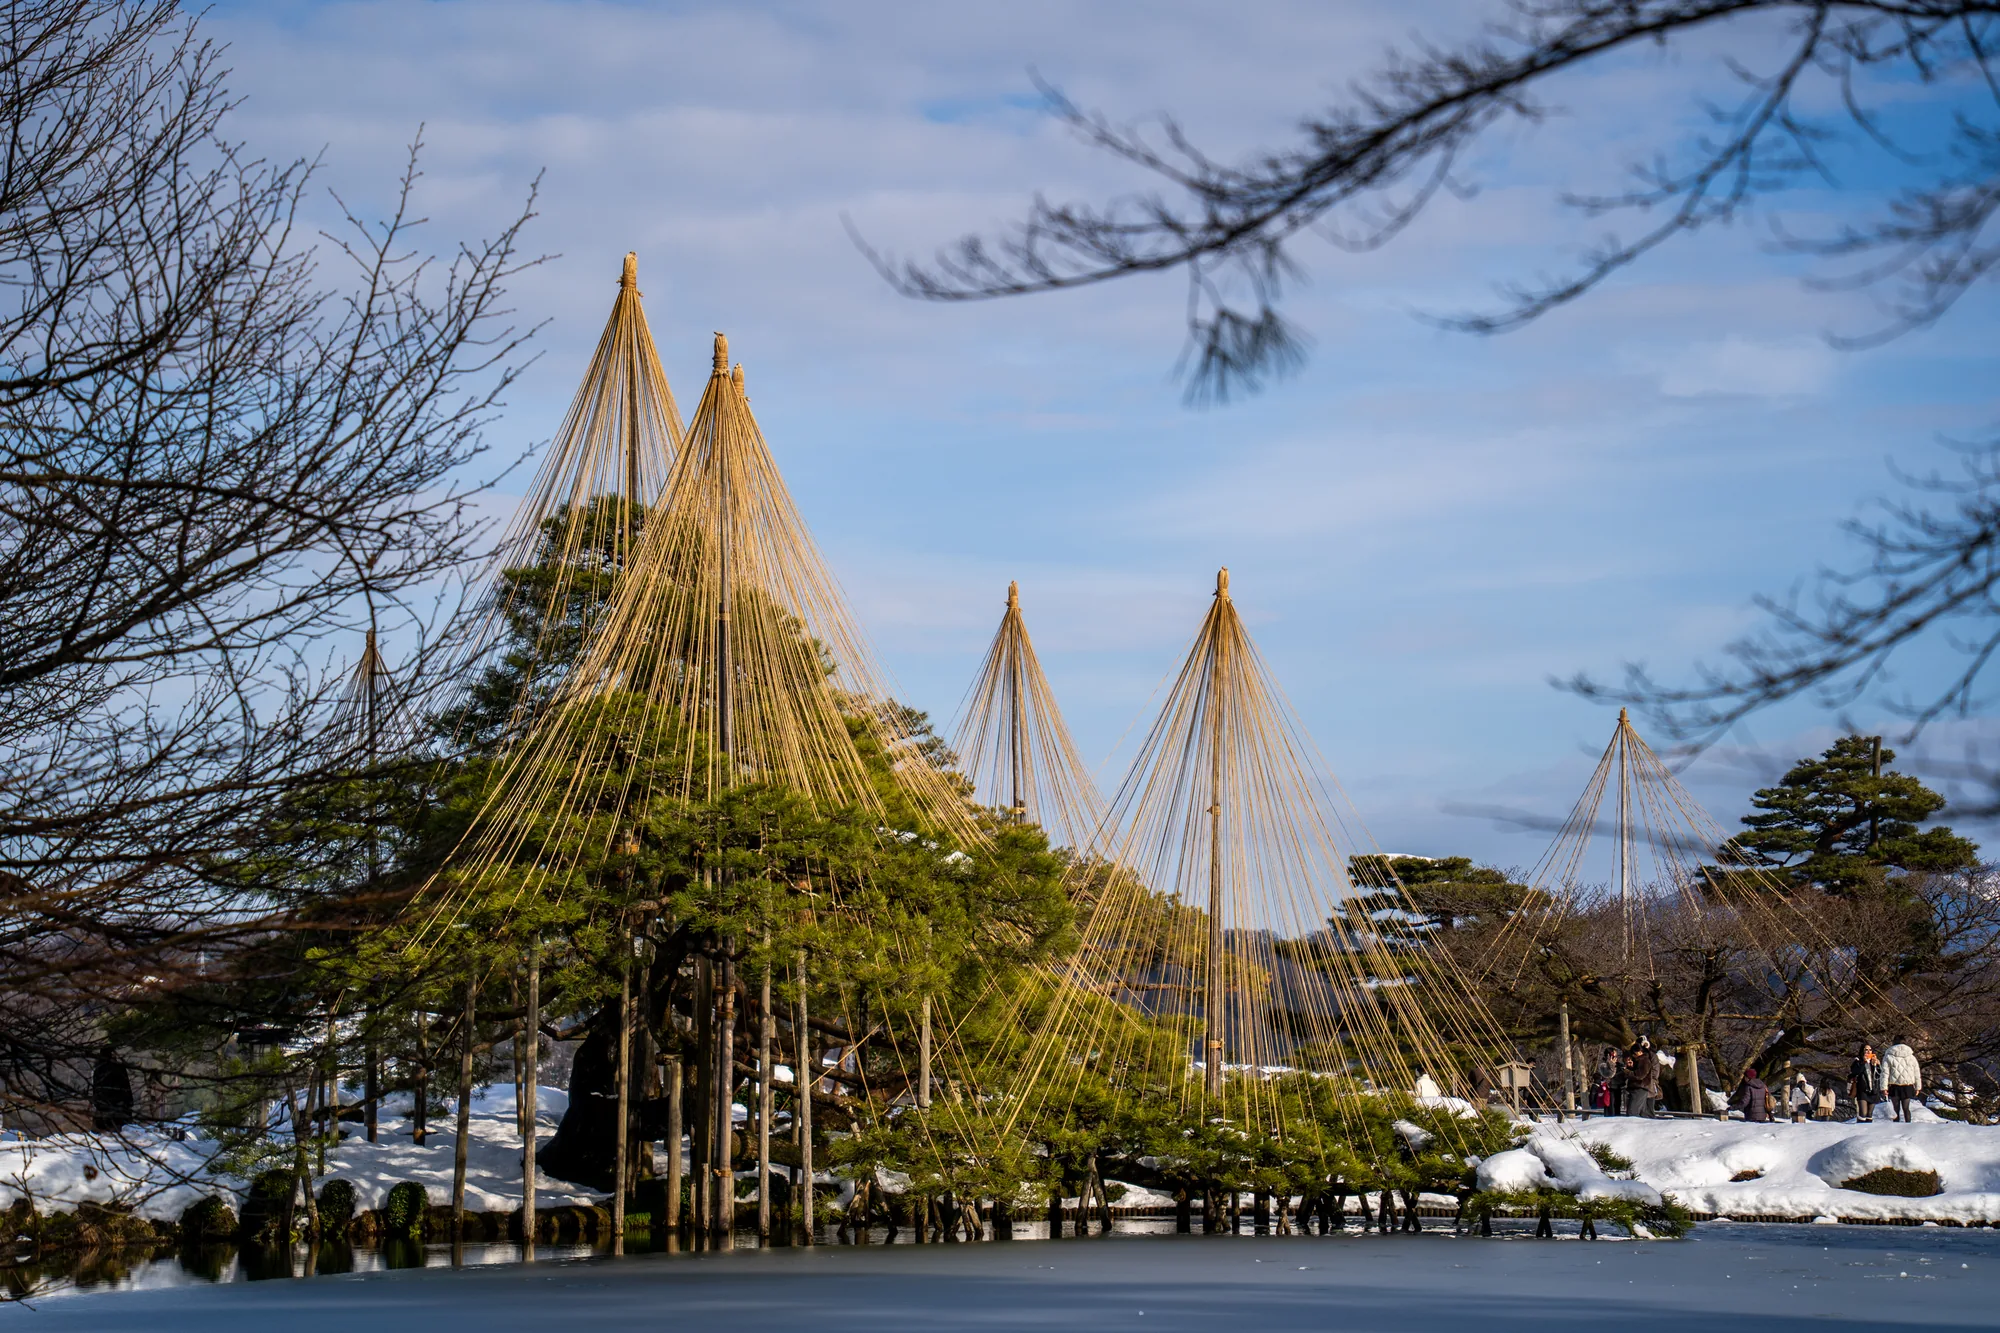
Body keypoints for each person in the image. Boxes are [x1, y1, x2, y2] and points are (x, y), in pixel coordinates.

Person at [1883, 1037, 1922, 1123]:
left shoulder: (1888, 1056)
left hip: (1894, 1086)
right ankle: (1908, 1125)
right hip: (1907, 1086)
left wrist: (1884, 1087)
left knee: (1895, 1110)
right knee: (1906, 1108)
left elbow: (1885, 1073)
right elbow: (1916, 1073)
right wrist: (1918, 1087)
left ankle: (1896, 1127)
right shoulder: (1911, 1056)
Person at [1850, 1044, 1886, 1122]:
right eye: (1866, 1050)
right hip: (1862, 1090)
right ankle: (1860, 1126)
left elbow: (1879, 1075)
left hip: (1873, 1090)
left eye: (1870, 1050)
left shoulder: (1873, 1061)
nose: (1868, 1052)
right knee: (1863, 1113)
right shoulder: (1858, 1061)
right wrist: (1863, 1062)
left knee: (1869, 1114)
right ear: (1862, 1051)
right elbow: (1855, 1072)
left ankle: (1868, 1128)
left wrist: (1877, 1065)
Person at [1625, 1039, 1660, 1119]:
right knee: (1643, 1112)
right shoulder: (1641, 1059)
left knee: (1633, 1112)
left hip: (1641, 1086)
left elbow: (1640, 1075)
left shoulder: (1644, 1060)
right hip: (1642, 1086)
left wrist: (1627, 1072)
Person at [1598, 1046, 1624, 1117]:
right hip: (1609, 1088)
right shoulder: (1603, 1065)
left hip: (1618, 1087)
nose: (1615, 1056)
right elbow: (1608, 1074)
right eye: (1613, 1054)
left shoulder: (1619, 1064)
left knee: (1617, 1105)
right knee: (1610, 1106)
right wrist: (1611, 1064)